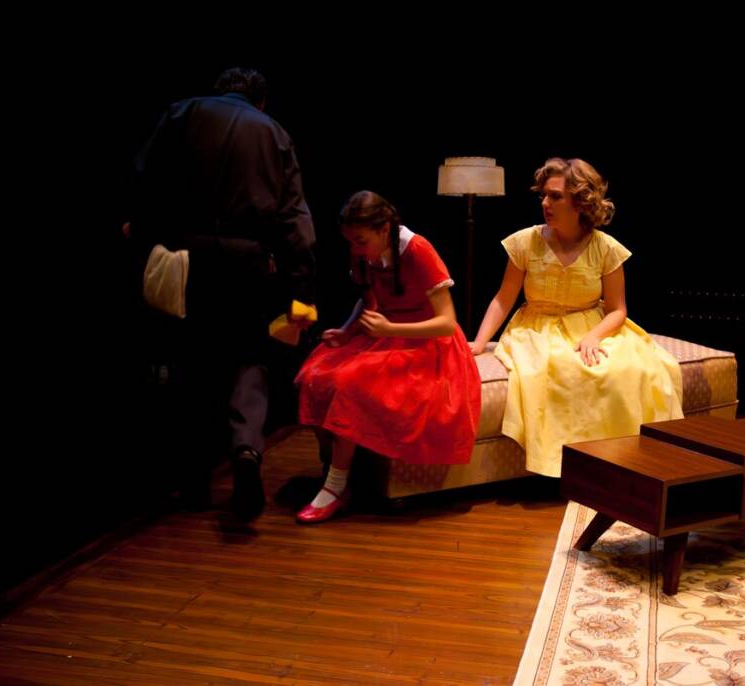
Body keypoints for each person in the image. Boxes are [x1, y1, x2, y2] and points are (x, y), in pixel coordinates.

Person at [129, 67, 316, 518]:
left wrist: (142, 236)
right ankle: (247, 449)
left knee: (189, 363)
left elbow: (143, 180)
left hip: (184, 258)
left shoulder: (178, 114)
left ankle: (192, 481)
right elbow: (295, 221)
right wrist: (301, 286)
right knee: (248, 358)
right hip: (246, 263)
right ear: (261, 101)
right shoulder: (273, 133)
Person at [469, 158, 683, 477]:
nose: (545, 203)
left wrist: (594, 336)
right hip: (537, 326)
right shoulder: (526, 242)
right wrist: (480, 342)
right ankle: (562, 465)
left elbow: (618, 309)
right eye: (543, 195)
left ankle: (620, 464)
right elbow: (504, 298)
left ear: (580, 201)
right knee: (554, 369)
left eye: (555, 196)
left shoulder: (605, 248)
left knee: (632, 369)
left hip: (591, 323)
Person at [294, 191, 481, 523]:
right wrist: (347, 331)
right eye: (350, 242)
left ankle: (336, 487)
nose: (355, 249)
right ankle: (338, 468)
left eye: (360, 241)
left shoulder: (418, 250)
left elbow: (447, 323)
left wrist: (389, 326)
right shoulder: (366, 254)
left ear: (384, 229)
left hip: (426, 345)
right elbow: (368, 300)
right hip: (386, 333)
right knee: (313, 374)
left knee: (349, 382)